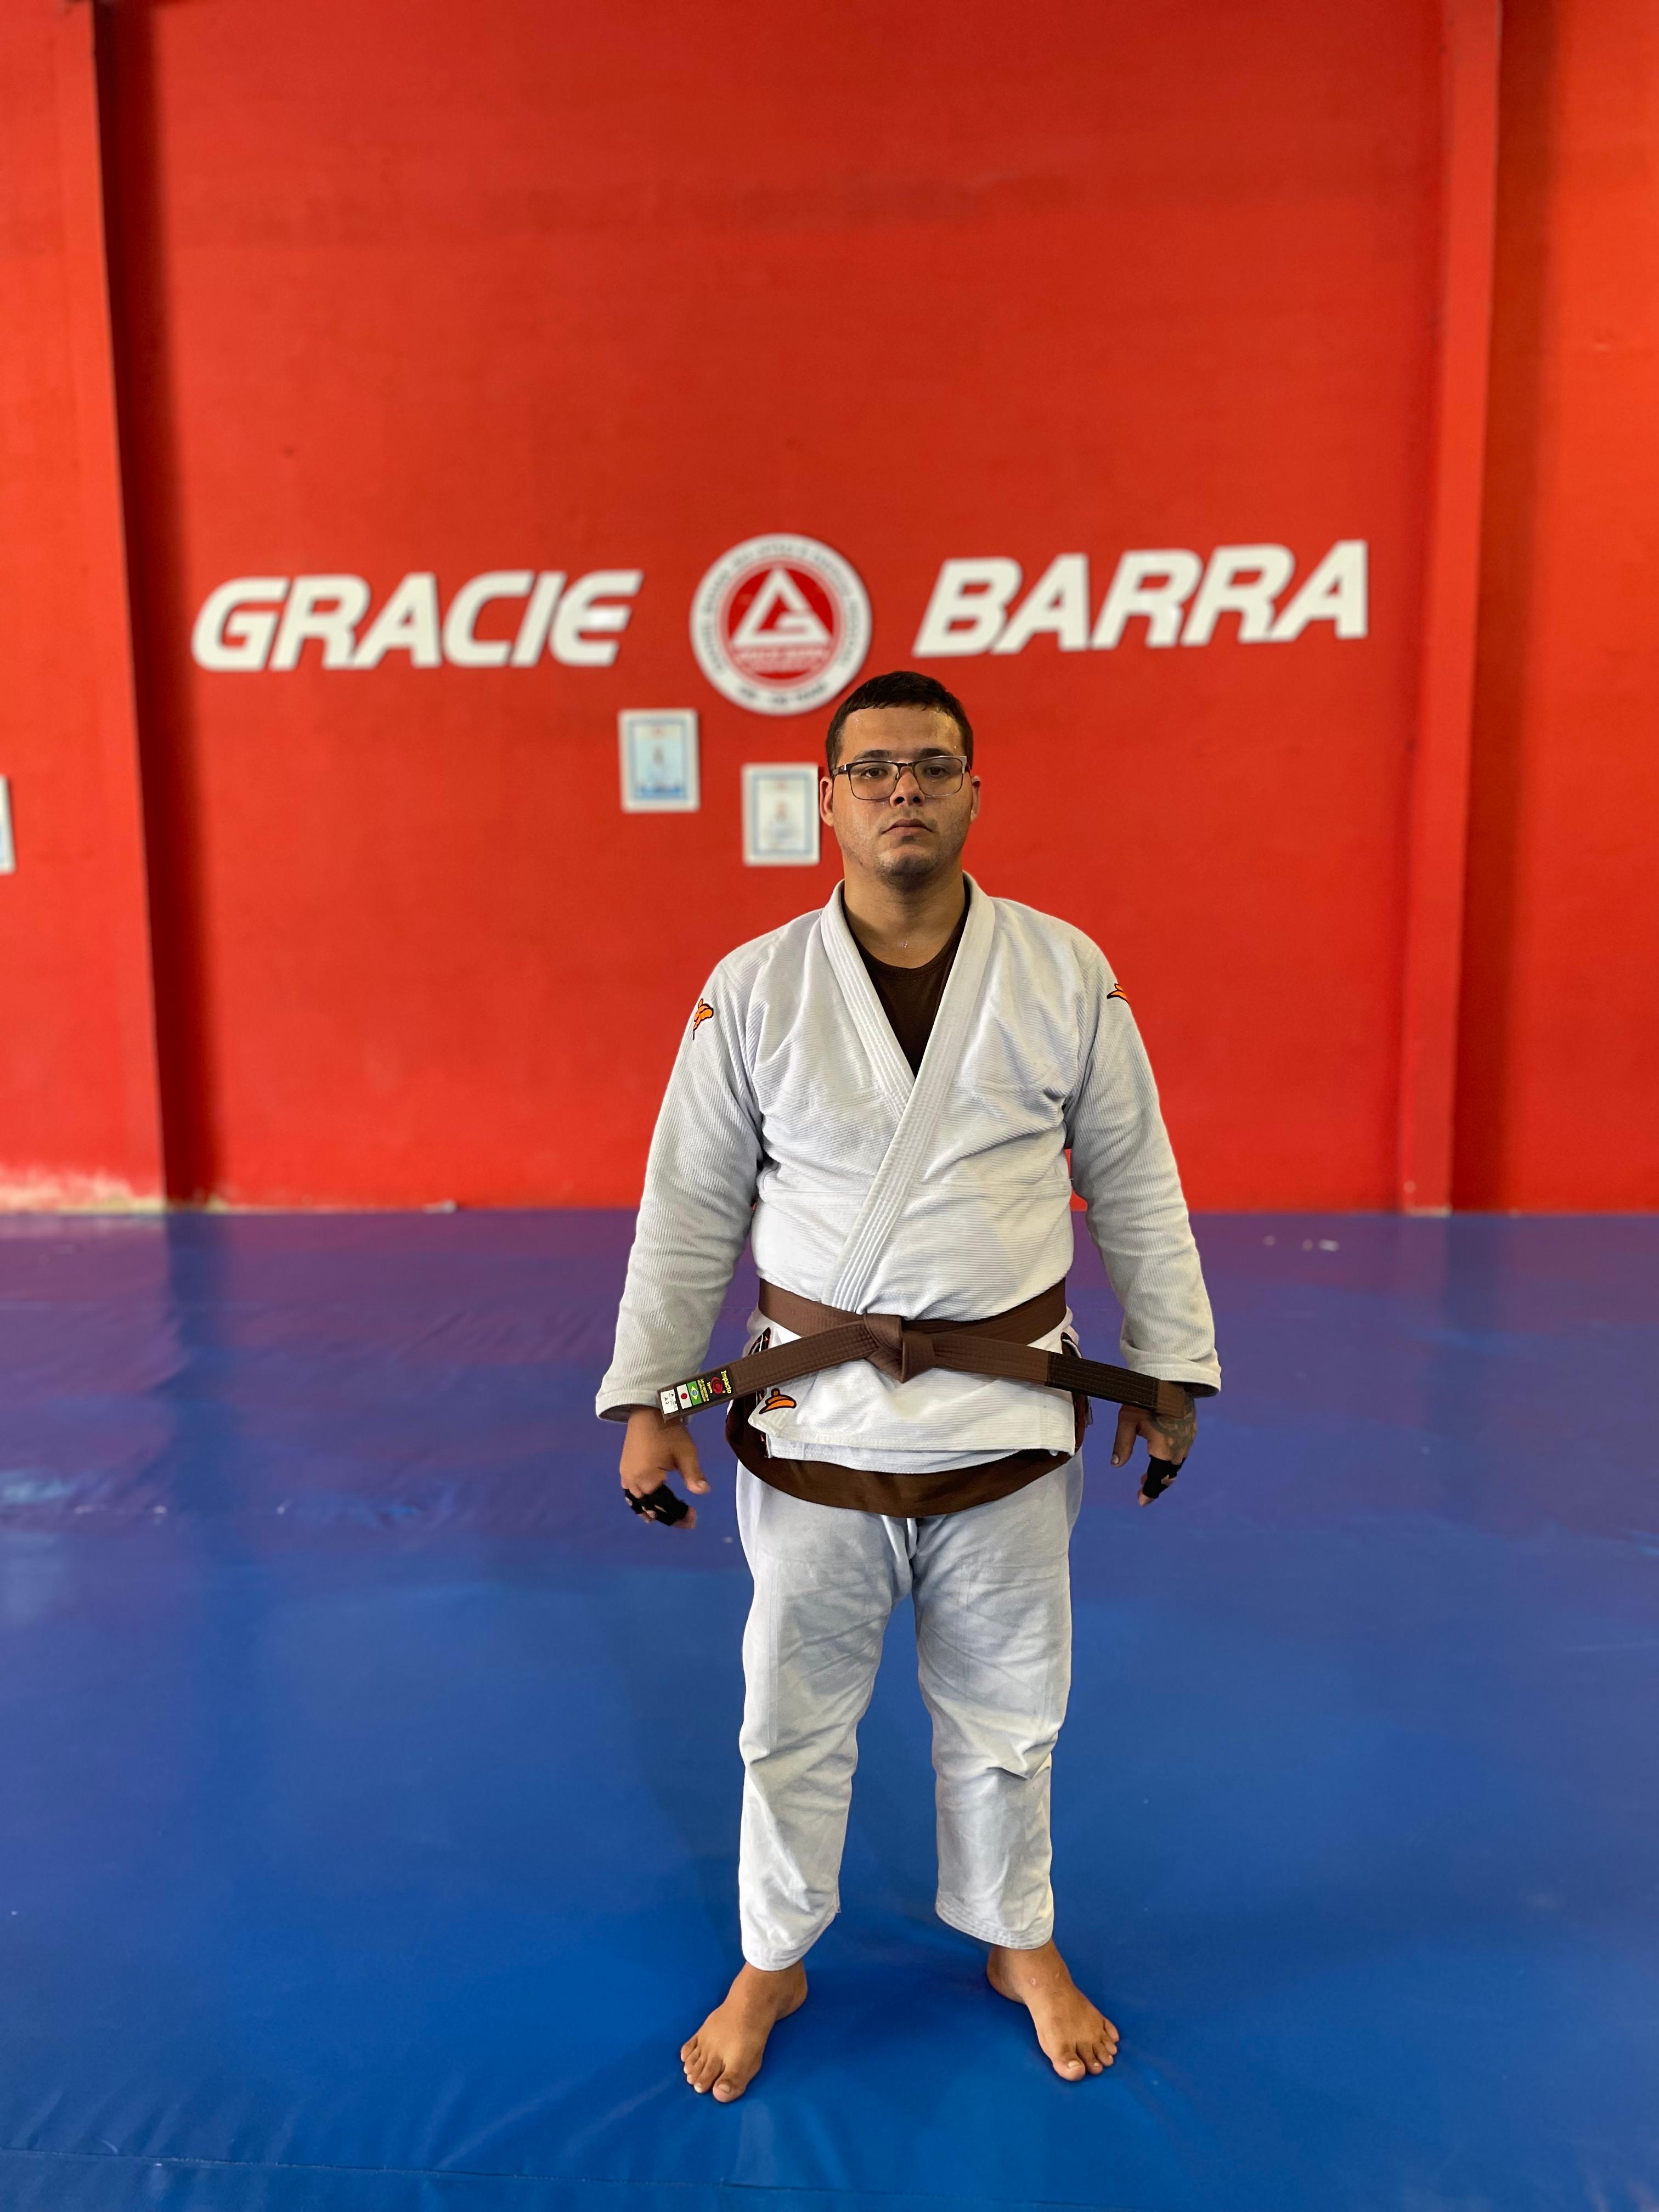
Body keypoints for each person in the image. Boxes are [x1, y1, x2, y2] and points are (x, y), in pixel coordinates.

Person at [597, 669, 1219, 2101]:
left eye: (933, 767)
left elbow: (1135, 1181)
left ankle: (1016, 1938)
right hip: (816, 1415)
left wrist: (1169, 1370)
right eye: (872, 769)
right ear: (826, 800)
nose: (903, 791)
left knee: (1013, 1708)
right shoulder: (753, 987)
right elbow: (689, 1205)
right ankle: (773, 1957)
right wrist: (648, 1400)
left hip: (1010, 1409)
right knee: (788, 1721)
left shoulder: (1064, 970)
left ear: (974, 793)